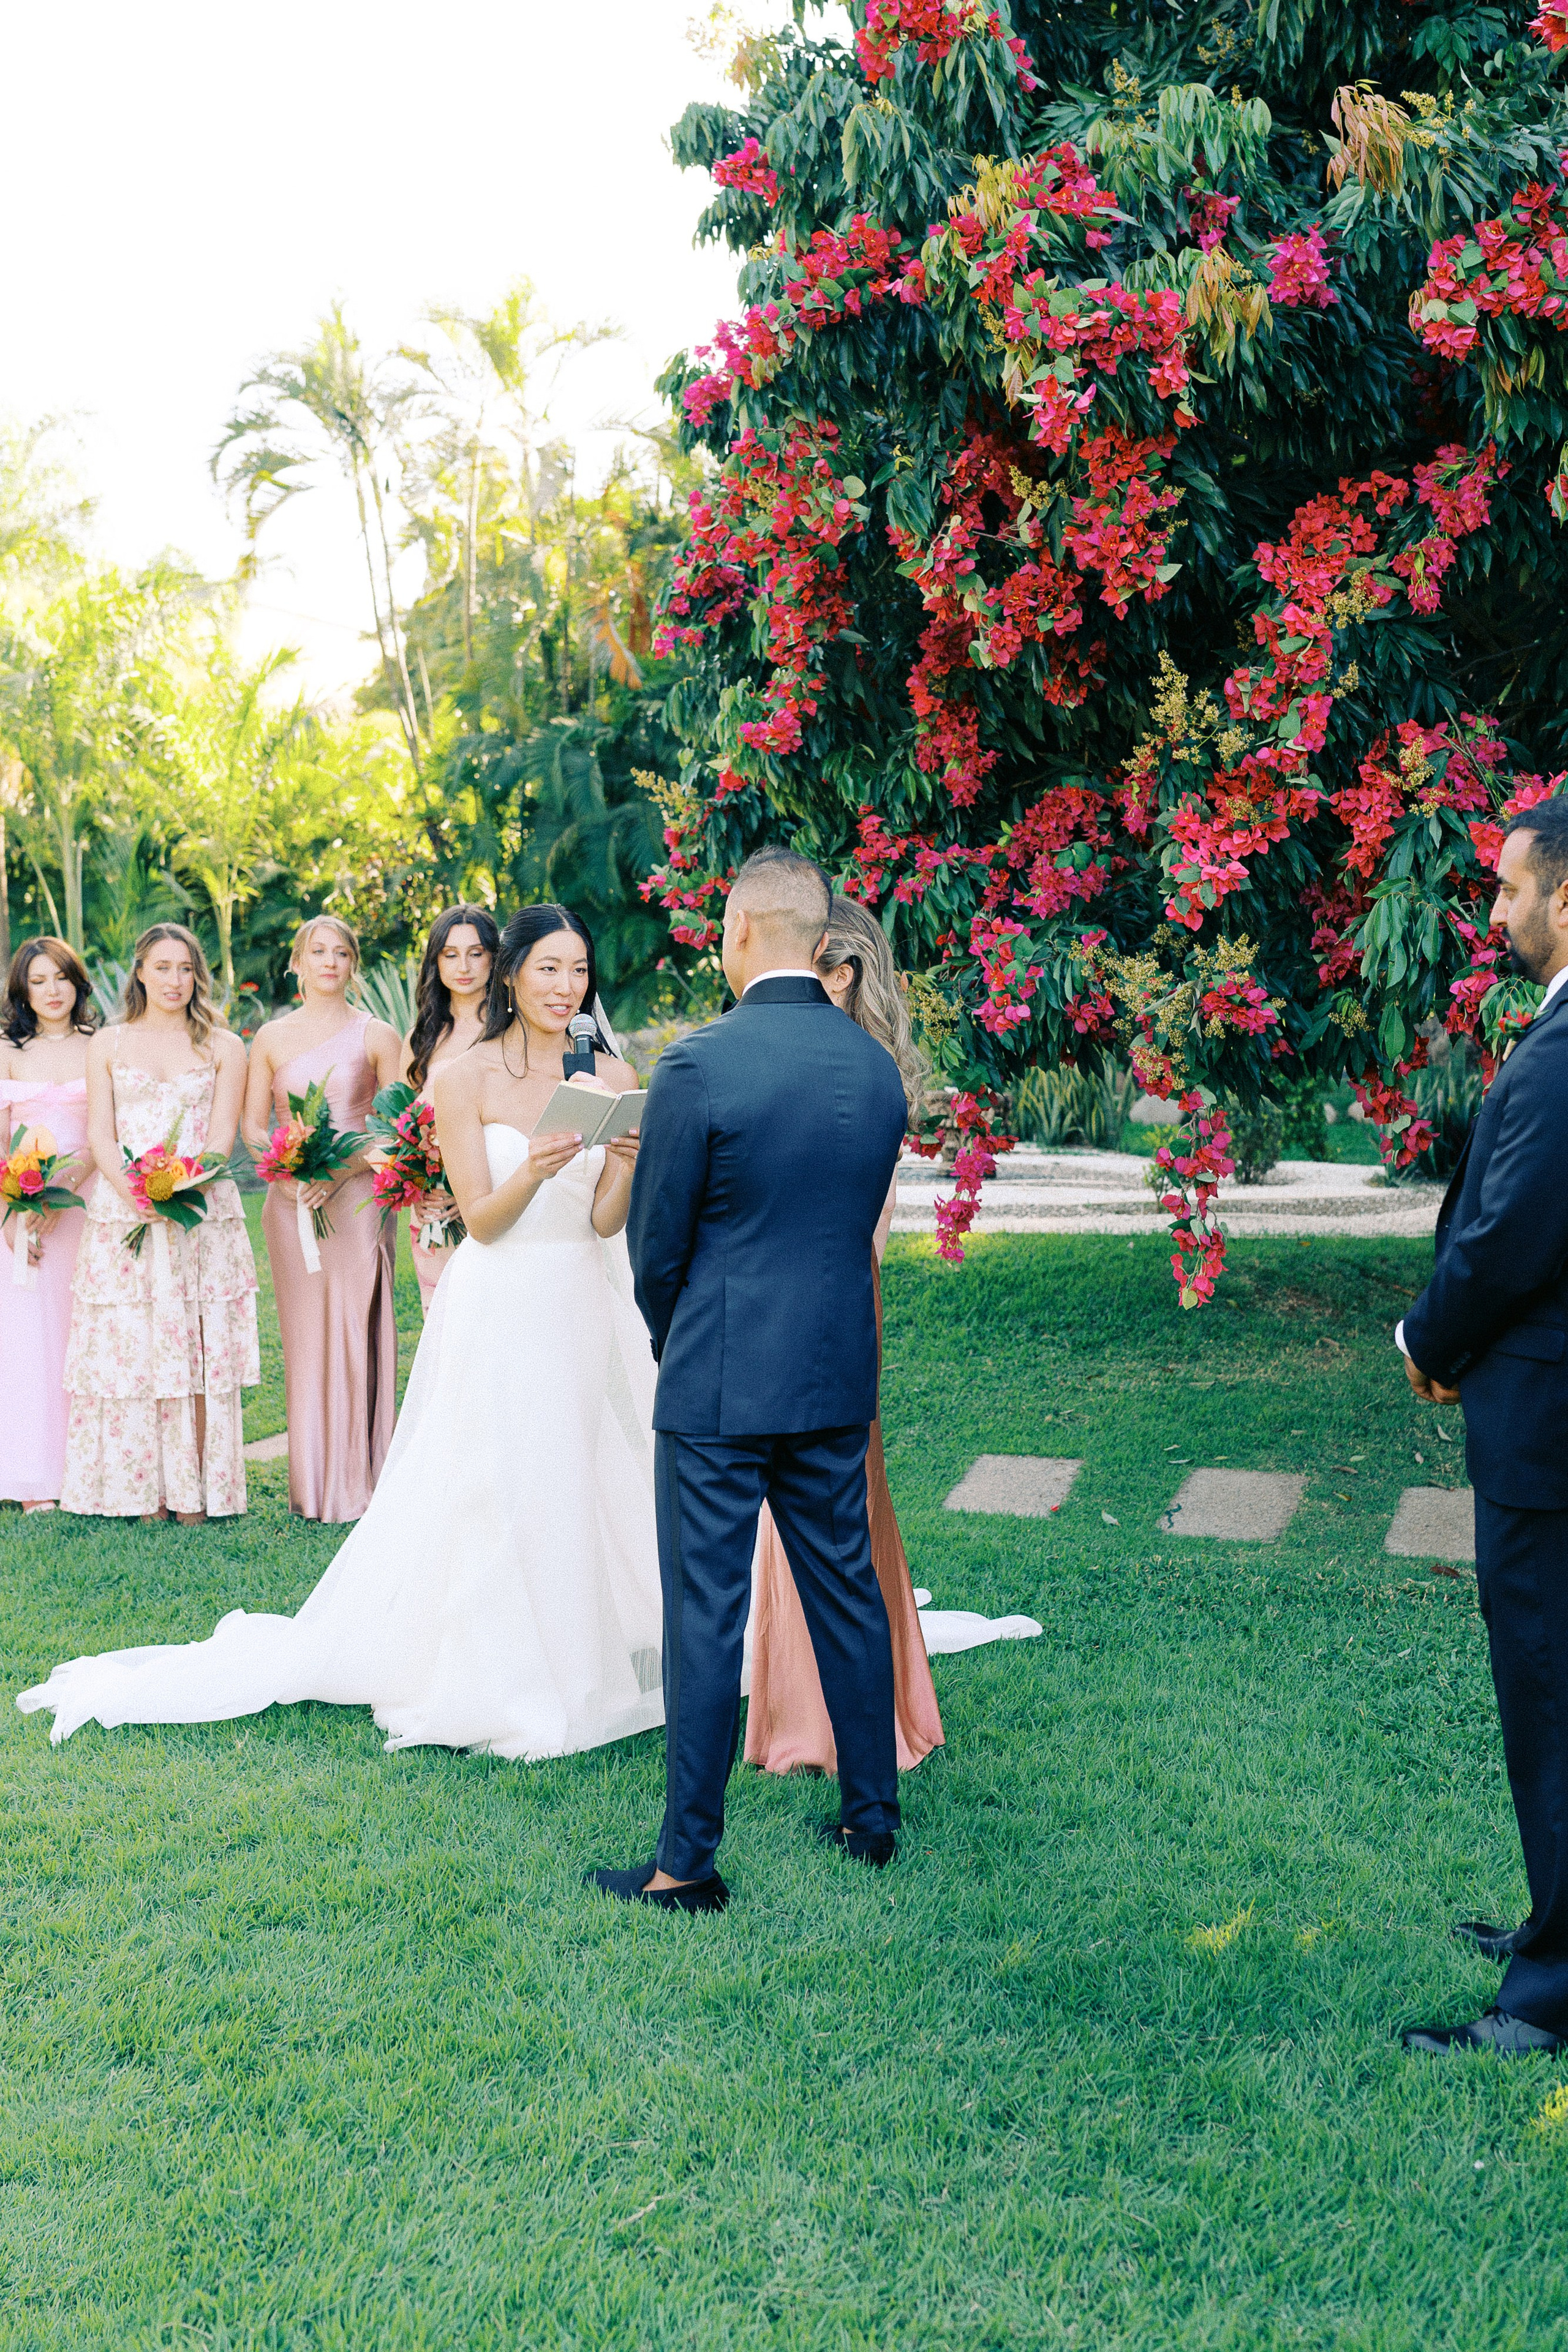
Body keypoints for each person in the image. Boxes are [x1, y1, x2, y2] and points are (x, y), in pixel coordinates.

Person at [18, 904, 665, 1760]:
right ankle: (494, 1657)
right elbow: (482, 1218)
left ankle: (577, 1641)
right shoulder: (470, 1077)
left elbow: (606, 1220)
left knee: (572, 1464)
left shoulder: (607, 1073)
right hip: (503, 1295)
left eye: (578, 970)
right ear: (514, 976)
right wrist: (541, 1169)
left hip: (577, 1298)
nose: (565, 986)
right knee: (501, 1474)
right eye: (548, 968)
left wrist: (617, 1166)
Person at [590, 846, 909, 1915]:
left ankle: (688, 1862)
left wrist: (677, 1336)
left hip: (718, 1380)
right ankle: (874, 1820)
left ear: (735, 937)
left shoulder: (698, 1063)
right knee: (849, 1597)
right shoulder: (874, 1067)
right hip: (832, 1373)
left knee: (705, 1614)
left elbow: (657, 1247)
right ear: (821, 944)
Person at [1400, 798, 1568, 2059]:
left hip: (1546, 1440)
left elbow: (1510, 1236)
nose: (1493, 912)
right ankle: (1550, 1924)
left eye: (1509, 890)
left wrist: (1425, 1339)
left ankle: (1548, 1996)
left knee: (1550, 1698)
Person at [744, 894, 946, 1775]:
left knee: (828, 1510)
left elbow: (866, 1220)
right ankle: (818, 1704)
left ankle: (824, 1722)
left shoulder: (857, 1071)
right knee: (822, 1511)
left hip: (820, 1302)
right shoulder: (857, 1065)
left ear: (843, 972)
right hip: (823, 1295)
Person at [58, 924, 258, 1523]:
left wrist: (178, 1188)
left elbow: (221, 1140)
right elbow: (102, 1133)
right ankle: (143, 1492)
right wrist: (139, 1194)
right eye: (162, 967)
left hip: (200, 1212)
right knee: (135, 1351)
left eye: (185, 968)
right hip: (126, 1213)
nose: (174, 980)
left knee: (197, 1348)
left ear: (197, 976)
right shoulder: (108, 1044)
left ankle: (198, 1493)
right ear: (139, 972)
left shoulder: (223, 1046)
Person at [243, 916, 402, 1523]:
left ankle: (366, 1480)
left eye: (341, 952)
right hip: (292, 1206)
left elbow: (396, 1124)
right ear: (298, 961)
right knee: (307, 1337)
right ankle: (314, 1486)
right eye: (318, 951)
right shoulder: (271, 1038)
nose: (329, 961)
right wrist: (288, 1170)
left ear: (352, 964)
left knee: (358, 1325)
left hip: (359, 1197)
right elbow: (255, 1126)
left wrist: (338, 1170)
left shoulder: (378, 1034)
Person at [0, 938, 97, 1512]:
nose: (52, 991)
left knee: (82, 1331)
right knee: (31, 1338)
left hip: (86, 1206)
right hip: (24, 1215)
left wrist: (69, 1190)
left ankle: (90, 1469)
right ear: (23, 990)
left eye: (61, 978)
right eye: (39, 981)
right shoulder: (8, 1052)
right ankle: (36, 1476)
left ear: (77, 983)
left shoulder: (99, 1045)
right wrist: (12, 1215)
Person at [401, 904, 498, 1313]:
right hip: (433, 1210)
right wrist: (414, 1186)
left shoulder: (510, 1031)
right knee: (440, 1324)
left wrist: (475, 1194)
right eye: (450, 954)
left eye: (476, 953)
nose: (464, 966)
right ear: (436, 961)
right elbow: (399, 1129)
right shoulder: (420, 1038)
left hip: (496, 1199)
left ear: (494, 958)